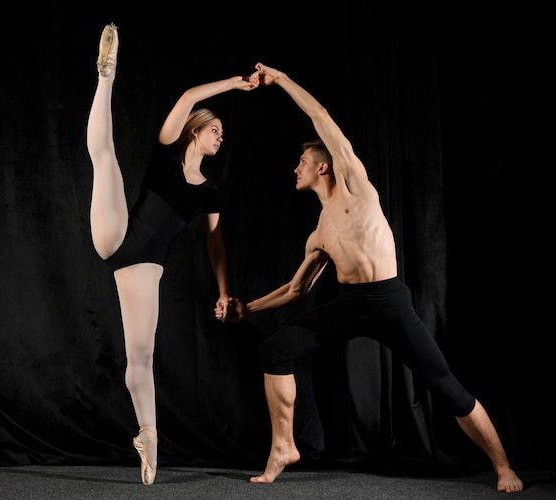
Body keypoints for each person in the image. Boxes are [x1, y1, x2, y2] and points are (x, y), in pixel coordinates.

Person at [218, 62, 524, 493]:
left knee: (447, 387)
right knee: (275, 349)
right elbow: (295, 289)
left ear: (323, 167)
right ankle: (283, 447)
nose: (296, 168)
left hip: (389, 303)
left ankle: (503, 467)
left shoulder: (357, 187)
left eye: (303, 161)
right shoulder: (318, 233)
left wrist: (282, 80)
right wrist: (246, 309)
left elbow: (320, 117)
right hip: (350, 305)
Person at [87, 23, 258, 485]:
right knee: (106, 158)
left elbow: (215, 244)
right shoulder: (167, 150)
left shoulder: (210, 191)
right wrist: (233, 85)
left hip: (144, 268)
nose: (220, 138)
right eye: (215, 130)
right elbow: (186, 96)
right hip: (118, 233)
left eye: (222, 133)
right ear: (196, 131)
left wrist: (225, 293)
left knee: (139, 358)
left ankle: (149, 437)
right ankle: (107, 75)